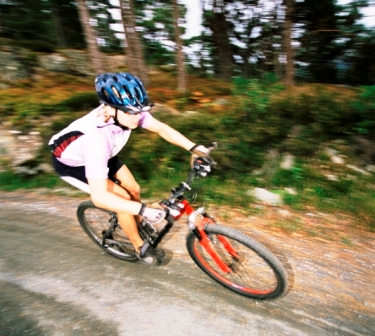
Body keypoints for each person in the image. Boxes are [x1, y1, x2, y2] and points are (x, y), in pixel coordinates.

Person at [49, 72, 209, 266]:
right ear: (109, 108)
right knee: (122, 198)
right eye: (131, 112)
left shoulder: (129, 112)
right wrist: (142, 209)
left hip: (104, 154)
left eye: (140, 110)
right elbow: (99, 197)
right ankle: (139, 247)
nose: (138, 117)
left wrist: (193, 147)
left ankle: (136, 223)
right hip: (73, 164)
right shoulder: (97, 139)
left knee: (134, 189)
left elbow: (162, 129)